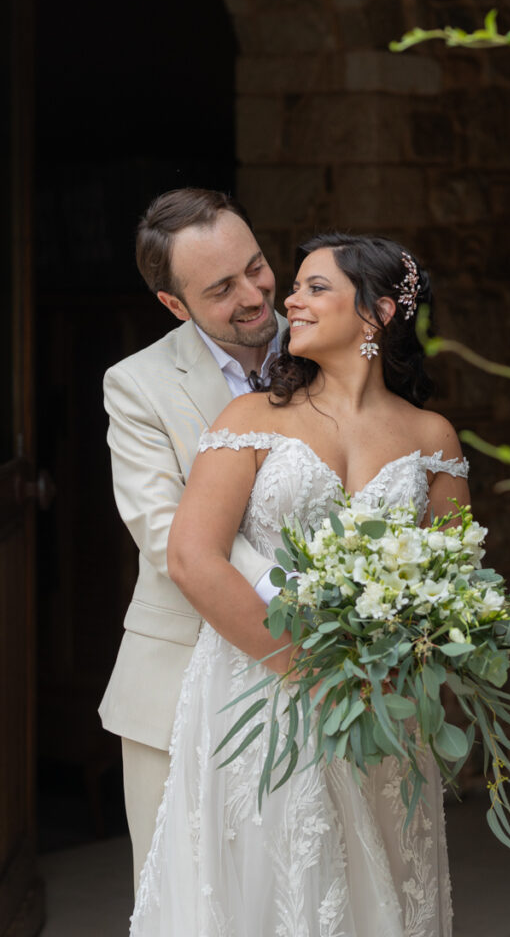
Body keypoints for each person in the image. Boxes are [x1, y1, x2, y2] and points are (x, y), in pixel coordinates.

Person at [129, 232, 471, 936]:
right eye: (295, 287)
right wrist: (308, 667)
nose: (289, 301)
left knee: (384, 888)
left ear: (377, 313)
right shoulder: (250, 419)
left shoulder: (431, 435)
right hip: (261, 691)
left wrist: (396, 662)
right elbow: (193, 557)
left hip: (379, 704)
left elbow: (452, 579)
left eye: (315, 288)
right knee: (271, 891)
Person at [99, 188, 288, 888]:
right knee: (181, 899)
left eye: (256, 266)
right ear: (174, 305)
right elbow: (165, 529)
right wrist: (288, 589)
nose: (254, 295)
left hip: (322, 681)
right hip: (176, 681)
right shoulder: (137, 384)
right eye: (221, 288)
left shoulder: (331, 348)